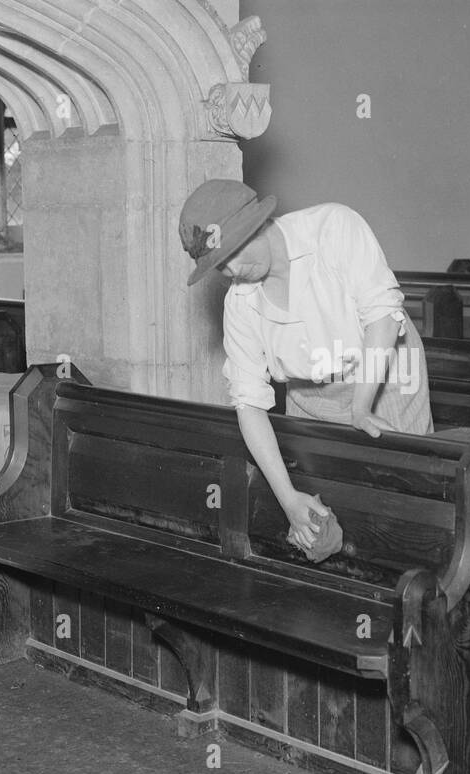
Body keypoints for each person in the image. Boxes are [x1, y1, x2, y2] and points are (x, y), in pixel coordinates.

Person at [179, 179, 433, 553]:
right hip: (310, 390)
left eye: (232, 252)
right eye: (219, 265)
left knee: (405, 511)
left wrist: (360, 407)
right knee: (320, 520)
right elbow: (249, 404)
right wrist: (289, 500)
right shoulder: (240, 303)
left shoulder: (333, 228)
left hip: (385, 376)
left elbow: (382, 316)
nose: (230, 270)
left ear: (257, 222)